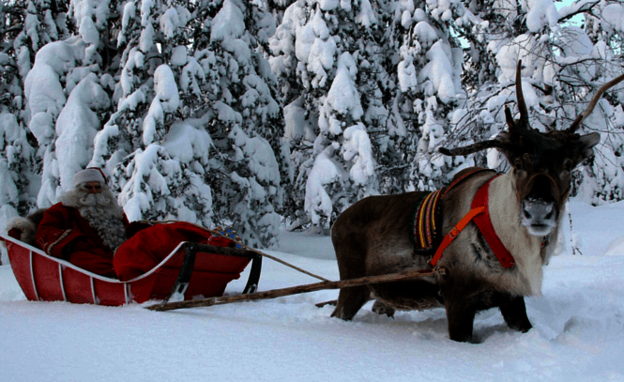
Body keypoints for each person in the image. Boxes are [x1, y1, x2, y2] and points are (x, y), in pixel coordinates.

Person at [36, 168, 131, 278]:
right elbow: (45, 231)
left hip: (118, 254)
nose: (94, 191)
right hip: (87, 255)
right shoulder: (62, 209)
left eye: (98, 187)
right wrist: (75, 242)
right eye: (88, 187)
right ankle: (118, 276)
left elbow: (128, 233)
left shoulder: (114, 210)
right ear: (78, 190)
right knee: (80, 258)